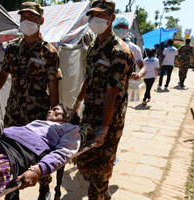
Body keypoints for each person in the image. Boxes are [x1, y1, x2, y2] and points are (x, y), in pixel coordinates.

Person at [0, 2, 62, 200]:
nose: (26, 20)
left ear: (41, 20)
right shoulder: (13, 48)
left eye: (31, 16)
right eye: (23, 16)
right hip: (14, 112)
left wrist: (54, 117)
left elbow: (53, 87)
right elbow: (2, 75)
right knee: (9, 151)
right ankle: (12, 192)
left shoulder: (50, 53)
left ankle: (44, 188)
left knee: (42, 151)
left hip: (37, 113)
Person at [72, 0, 135, 199]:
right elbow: (88, 78)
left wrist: (105, 127)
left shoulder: (119, 52)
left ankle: (100, 192)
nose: (95, 20)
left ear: (112, 18)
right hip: (90, 116)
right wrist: (78, 102)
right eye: (93, 16)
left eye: (101, 16)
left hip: (110, 121)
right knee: (82, 161)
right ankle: (102, 191)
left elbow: (112, 92)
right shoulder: (93, 47)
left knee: (99, 174)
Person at [113, 15, 147, 80]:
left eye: (124, 27)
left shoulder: (133, 48)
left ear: (128, 29)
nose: (121, 29)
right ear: (113, 28)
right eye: (118, 26)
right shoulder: (108, 44)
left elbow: (143, 67)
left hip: (126, 85)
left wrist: (138, 75)